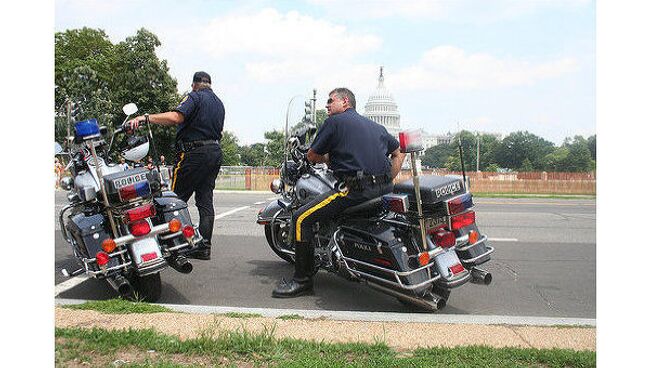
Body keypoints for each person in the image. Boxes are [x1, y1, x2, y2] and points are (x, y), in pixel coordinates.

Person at [272, 87, 406, 298]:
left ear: (345, 102)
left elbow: (314, 155)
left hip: (355, 191)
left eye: (330, 101)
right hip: (384, 191)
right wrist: (389, 176)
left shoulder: (334, 122)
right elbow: (398, 152)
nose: (326, 105)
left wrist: (323, 157)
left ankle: (302, 281)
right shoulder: (375, 126)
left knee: (300, 219)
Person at [128, 71, 224, 260]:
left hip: (193, 153)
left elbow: (175, 117)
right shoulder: (219, 103)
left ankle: (170, 244)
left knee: (173, 200)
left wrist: (145, 117)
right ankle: (204, 247)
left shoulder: (195, 96)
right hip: (214, 152)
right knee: (205, 201)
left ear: (195, 84)